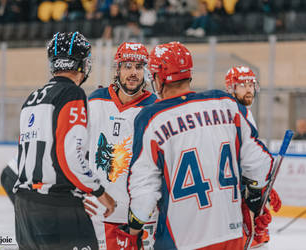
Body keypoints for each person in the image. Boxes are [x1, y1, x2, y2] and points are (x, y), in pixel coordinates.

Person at [116, 42, 274, 250]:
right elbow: (260, 164)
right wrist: (254, 200)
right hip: (231, 236)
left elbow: (144, 193)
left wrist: (133, 231)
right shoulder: (226, 103)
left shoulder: (151, 118)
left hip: (181, 240)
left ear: (158, 78)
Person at [13, 31, 115, 250]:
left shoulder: (32, 97)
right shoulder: (71, 94)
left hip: (25, 208)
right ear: (83, 63)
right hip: (57, 208)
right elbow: (69, 156)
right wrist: (99, 193)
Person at [84, 42, 157, 249]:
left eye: (139, 67)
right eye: (127, 66)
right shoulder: (96, 101)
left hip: (141, 217)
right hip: (100, 214)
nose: (133, 73)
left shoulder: (155, 108)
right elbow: (77, 152)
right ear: (117, 69)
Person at [225, 66, 282, 248]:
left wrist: (262, 184)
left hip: (244, 188)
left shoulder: (245, 112)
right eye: (242, 85)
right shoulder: (230, 113)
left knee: (256, 239)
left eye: (251, 84)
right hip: (231, 193)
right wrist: (255, 190)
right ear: (231, 88)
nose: (248, 89)